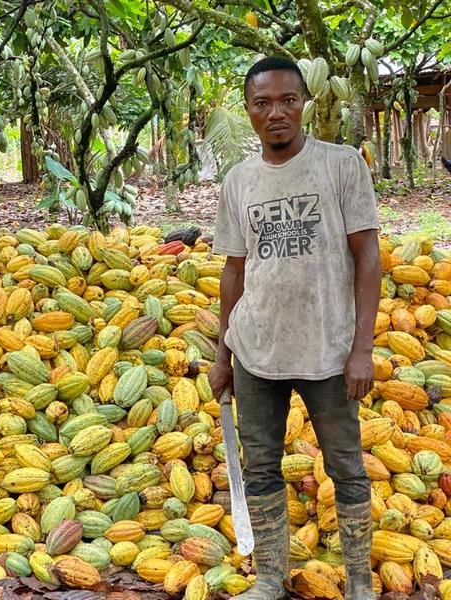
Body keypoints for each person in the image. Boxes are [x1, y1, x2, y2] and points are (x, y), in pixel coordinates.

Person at [208, 57, 380, 600]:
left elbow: (368, 256)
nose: (275, 112)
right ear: (249, 111)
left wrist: (361, 349)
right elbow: (233, 270)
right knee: (261, 467)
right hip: (258, 349)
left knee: (346, 468)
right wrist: (222, 354)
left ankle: (357, 579)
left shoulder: (342, 166)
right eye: (262, 103)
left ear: (304, 102)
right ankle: (268, 579)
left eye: (287, 100)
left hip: (328, 350)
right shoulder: (239, 182)